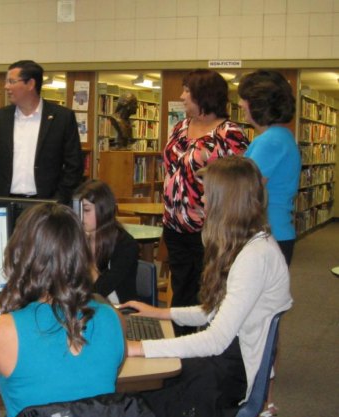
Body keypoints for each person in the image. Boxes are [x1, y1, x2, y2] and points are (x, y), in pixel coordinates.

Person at [121, 156, 292, 417]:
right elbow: (214, 313)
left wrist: (138, 348)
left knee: (139, 396)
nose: (202, 200)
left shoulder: (255, 257)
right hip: (229, 362)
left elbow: (216, 340)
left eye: (208, 194)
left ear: (228, 201)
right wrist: (161, 313)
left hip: (231, 375)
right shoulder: (249, 246)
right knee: (148, 384)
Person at [0, 203, 125, 417]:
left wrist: (0, 369)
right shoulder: (113, 318)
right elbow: (89, 380)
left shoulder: (1, 331)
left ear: (20, 256)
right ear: (82, 256)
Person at [162, 69, 249, 334]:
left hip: (209, 230)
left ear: (204, 95)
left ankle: (208, 350)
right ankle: (180, 348)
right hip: (175, 225)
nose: (182, 96)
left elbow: (239, 182)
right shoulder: (180, 127)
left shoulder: (229, 133)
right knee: (181, 288)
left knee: (209, 292)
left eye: (187, 90)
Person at [0, 60, 84, 204]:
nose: (6, 86)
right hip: (5, 202)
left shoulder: (62, 118)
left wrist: (60, 198)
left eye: (11, 81)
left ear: (31, 84)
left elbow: (74, 165)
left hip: (46, 204)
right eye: (6, 81)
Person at [238, 70, 301, 266]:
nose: (240, 104)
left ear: (258, 104)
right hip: (273, 232)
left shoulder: (270, 141)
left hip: (267, 233)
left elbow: (245, 188)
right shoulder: (279, 136)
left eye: (244, 99)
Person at [76, 179, 139, 303]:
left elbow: (100, 290)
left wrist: (85, 253)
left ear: (103, 209)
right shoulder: (76, 236)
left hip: (119, 310)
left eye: (87, 210)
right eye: (79, 210)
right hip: (83, 306)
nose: (81, 216)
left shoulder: (125, 245)